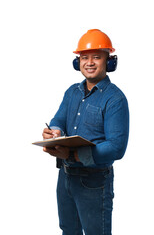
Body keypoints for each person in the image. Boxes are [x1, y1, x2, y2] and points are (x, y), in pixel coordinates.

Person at [42, 29, 129, 235]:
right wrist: (54, 132)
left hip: (94, 181)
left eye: (96, 57)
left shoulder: (115, 99)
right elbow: (58, 120)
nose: (89, 62)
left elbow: (116, 147)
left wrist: (72, 154)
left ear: (109, 62)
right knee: (68, 230)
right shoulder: (72, 92)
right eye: (84, 57)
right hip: (65, 177)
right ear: (77, 62)